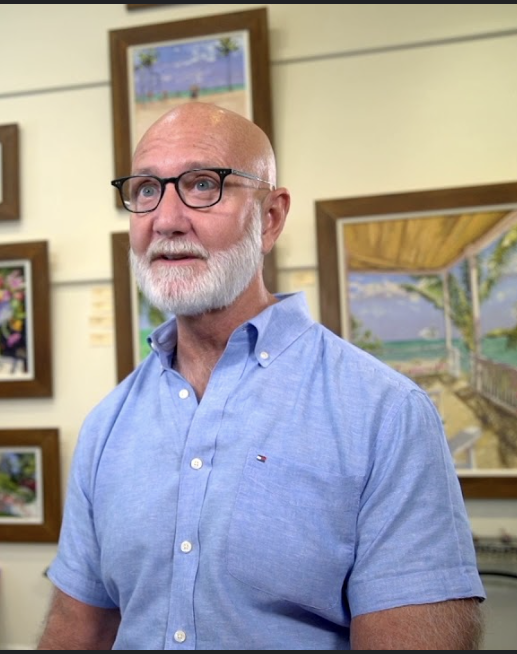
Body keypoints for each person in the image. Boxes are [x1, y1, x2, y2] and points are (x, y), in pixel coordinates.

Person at [37, 101, 485, 650]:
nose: (166, 219)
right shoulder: (107, 426)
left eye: (203, 184)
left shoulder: (385, 415)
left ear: (270, 217)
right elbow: (76, 630)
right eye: (147, 189)